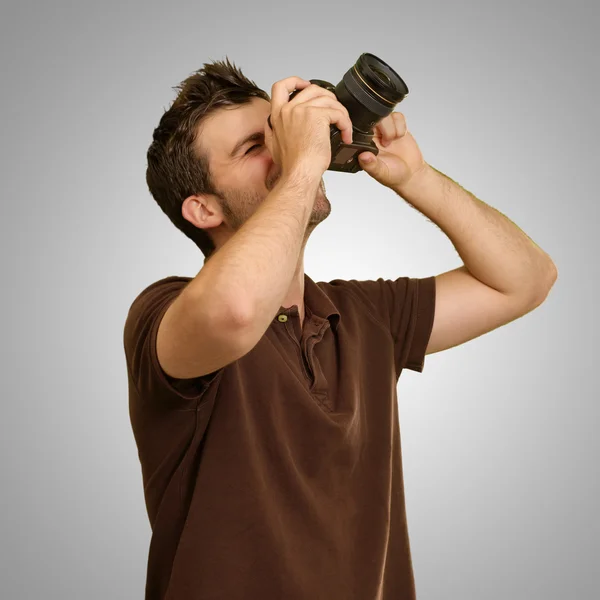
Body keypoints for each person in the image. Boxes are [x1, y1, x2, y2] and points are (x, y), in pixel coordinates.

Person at [122, 58, 556, 600]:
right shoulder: (164, 314)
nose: (286, 148)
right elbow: (234, 312)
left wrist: (417, 179)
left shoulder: (362, 316)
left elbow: (526, 280)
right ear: (203, 209)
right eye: (255, 147)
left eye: (278, 131)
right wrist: (302, 164)